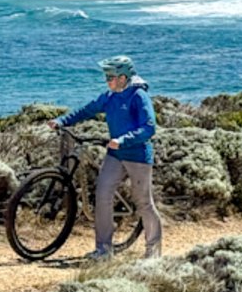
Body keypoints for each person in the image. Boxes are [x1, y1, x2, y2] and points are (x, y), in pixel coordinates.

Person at [48, 55, 163, 260]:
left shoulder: (138, 96)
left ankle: (153, 254)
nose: (107, 80)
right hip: (115, 155)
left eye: (110, 76)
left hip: (137, 156)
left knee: (144, 202)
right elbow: (88, 110)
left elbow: (149, 128)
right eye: (107, 76)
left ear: (123, 77)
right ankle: (103, 250)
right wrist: (62, 120)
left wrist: (123, 140)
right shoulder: (110, 97)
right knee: (102, 196)